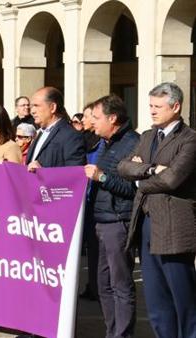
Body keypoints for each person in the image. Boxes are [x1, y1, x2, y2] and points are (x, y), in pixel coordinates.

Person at [118, 82, 196, 338]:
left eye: (157, 107)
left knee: (183, 299)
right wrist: (150, 170)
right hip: (145, 224)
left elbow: (173, 179)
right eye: (150, 105)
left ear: (175, 107)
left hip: (173, 227)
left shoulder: (190, 140)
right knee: (156, 301)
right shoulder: (148, 136)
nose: (151, 111)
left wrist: (139, 176)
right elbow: (123, 167)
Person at [84, 94, 139, 338]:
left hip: (118, 221)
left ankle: (122, 334)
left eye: (96, 117)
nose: (92, 122)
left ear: (112, 118)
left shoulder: (132, 144)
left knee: (120, 285)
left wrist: (102, 178)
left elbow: (131, 189)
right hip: (100, 220)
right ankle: (112, 331)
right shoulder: (105, 143)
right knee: (103, 284)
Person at [26, 87, 86, 171]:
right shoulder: (40, 132)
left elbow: (75, 174)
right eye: (32, 106)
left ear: (52, 107)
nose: (32, 111)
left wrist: (44, 173)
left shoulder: (71, 136)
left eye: (36, 106)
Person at [80, 101, 102, 301]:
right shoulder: (85, 140)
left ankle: (97, 287)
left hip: (97, 201)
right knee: (91, 249)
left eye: (89, 116)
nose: (85, 120)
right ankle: (92, 284)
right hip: (85, 202)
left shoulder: (102, 144)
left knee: (96, 248)